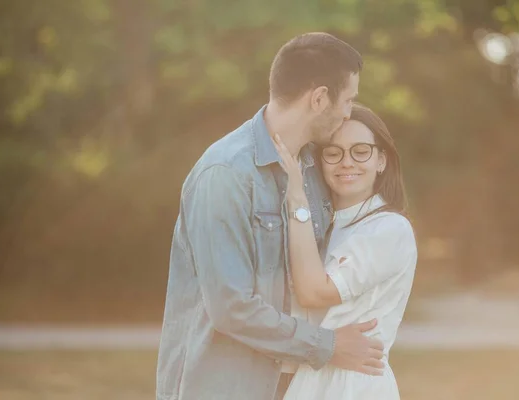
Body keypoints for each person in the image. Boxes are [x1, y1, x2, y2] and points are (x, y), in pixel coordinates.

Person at [156, 33, 386, 400]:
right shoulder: (225, 174)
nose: (348, 112)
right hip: (225, 387)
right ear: (319, 98)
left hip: (293, 387)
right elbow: (230, 307)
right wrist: (327, 345)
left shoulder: (314, 170)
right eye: (348, 100)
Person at [272, 103, 417, 400]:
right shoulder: (324, 228)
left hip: (352, 386)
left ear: (381, 160)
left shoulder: (389, 229)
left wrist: (296, 196)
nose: (346, 162)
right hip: (305, 382)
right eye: (334, 152)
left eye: (360, 151)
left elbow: (314, 293)